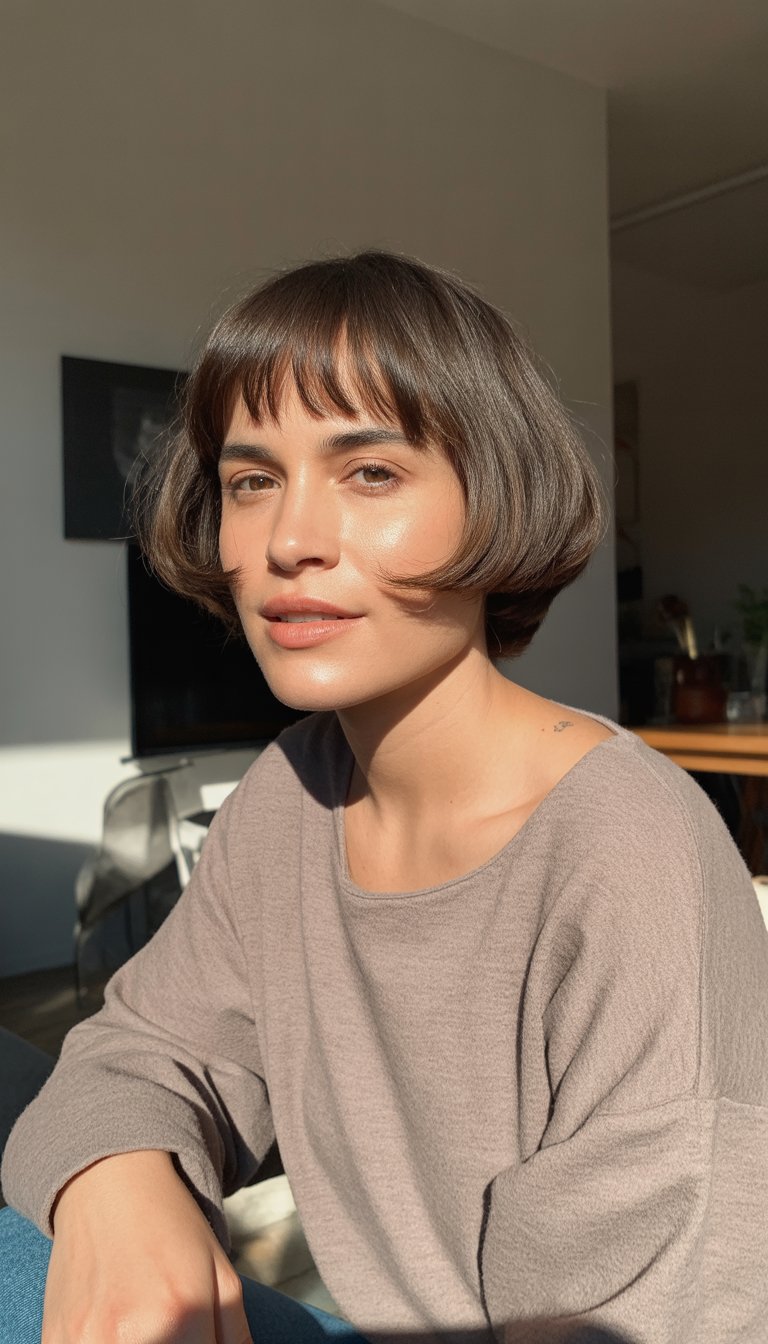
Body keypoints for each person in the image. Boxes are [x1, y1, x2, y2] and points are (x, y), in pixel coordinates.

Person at [2, 251, 768, 1344]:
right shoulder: (291, 794)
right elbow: (142, 1048)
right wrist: (117, 1182)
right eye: (251, 481)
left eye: (369, 472)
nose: (288, 542)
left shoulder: (630, 856)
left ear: (498, 496)